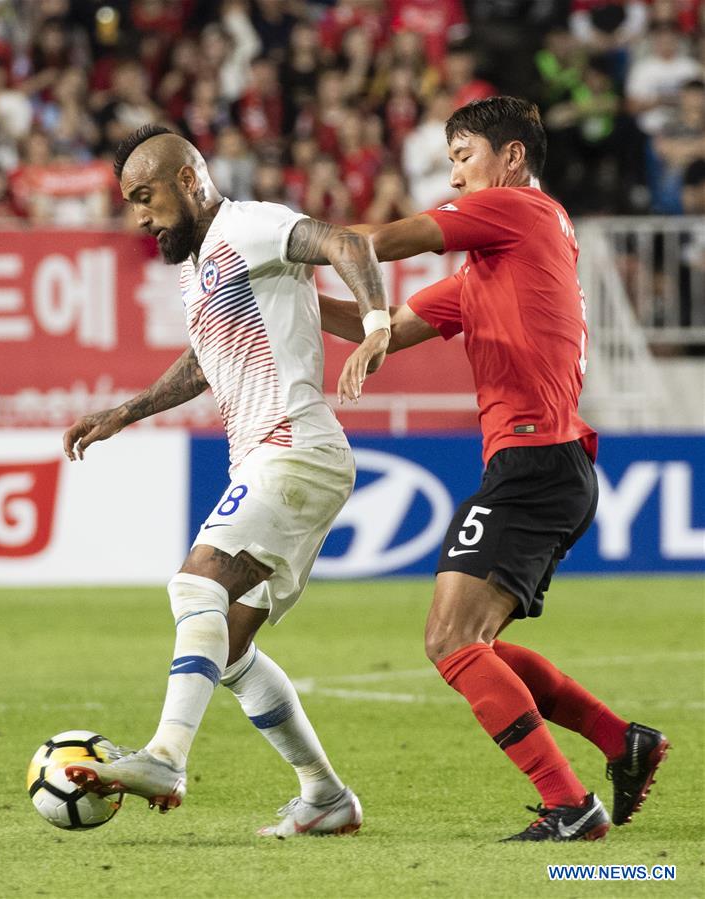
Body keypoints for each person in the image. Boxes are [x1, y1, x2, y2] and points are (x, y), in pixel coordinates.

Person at [320, 96, 669, 842]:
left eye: (463, 154)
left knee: (450, 642)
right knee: (468, 641)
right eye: (449, 160)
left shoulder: (518, 210)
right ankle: (618, 740)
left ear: (510, 158)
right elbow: (375, 327)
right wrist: (284, 293)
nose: (453, 173)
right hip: (547, 461)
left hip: (535, 458)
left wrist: (282, 241)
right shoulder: (494, 264)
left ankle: (569, 805)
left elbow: (388, 239)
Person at [61, 124, 390, 836]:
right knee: (230, 647)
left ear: (188, 179)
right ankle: (325, 796)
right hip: (279, 459)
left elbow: (347, 243)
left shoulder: (250, 224)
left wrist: (376, 321)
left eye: (145, 197)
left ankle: (166, 757)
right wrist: (128, 409)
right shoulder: (199, 266)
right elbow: (206, 358)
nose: (140, 217)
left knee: (195, 583)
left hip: (292, 446)